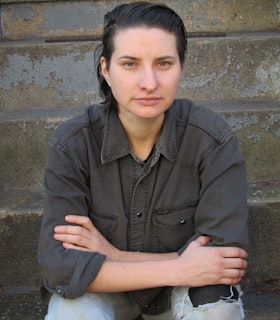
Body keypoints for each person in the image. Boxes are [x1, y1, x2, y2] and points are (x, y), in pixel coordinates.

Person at [38, 2, 249, 319]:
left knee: (218, 310)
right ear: (106, 69)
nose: (149, 82)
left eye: (163, 63)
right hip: (107, 292)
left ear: (181, 67)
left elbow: (223, 261)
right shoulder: (72, 144)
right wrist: (179, 267)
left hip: (184, 292)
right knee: (73, 312)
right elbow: (59, 268)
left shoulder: (212, 139)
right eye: (130, 64)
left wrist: (114, 255)